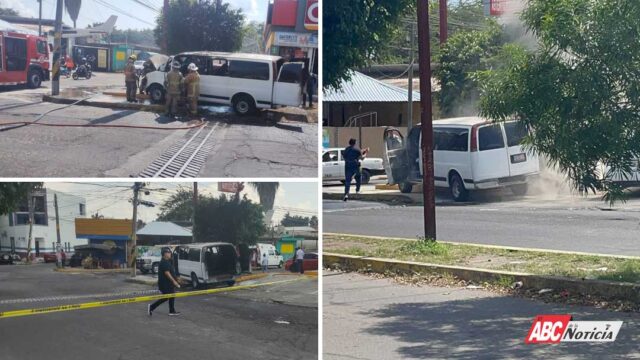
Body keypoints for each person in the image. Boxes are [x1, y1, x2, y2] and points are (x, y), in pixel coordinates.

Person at [148, 248, 181, 316]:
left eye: (170, 252)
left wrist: (176, 278)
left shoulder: (167, 261)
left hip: (168, 284)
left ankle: (171, 311)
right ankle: (152, 307)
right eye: (168, 252)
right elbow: (167, 273)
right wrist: (174, 281)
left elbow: (171, 272)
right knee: (167, 297)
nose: (170, 254)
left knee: (170, 296)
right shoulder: (164, 262)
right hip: (165, 284)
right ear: (164, 254)